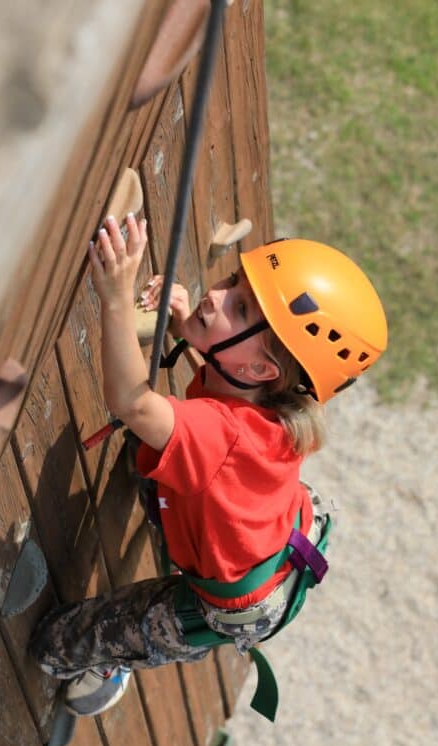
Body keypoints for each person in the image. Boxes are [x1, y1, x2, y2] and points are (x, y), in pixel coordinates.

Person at [30, 213, 388, 718]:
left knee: (52, 645)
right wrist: (192, 327)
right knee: (150, 455)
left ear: (261, 371)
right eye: (234, 282)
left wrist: (115, 294)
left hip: (232, 602)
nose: (215, 294)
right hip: (273, 538)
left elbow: (133, 404)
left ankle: (119, 664)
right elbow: (221, 410)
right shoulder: (274, 400)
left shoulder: (224, 436)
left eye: (238, 307)